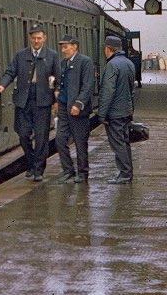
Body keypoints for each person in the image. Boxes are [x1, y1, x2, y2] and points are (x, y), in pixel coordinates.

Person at [0, 25, 60, 182]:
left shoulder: (52, 55)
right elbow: (10, 72)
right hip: (23, 100)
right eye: (34, 38)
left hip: (43, 101)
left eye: (39, 38)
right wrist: (2, 84)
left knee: (42, 136)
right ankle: (30, 163)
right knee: (23, 134)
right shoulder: (20, 55)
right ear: (30, 39)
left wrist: (56, 94)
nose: (36, 41)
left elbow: (58, 77)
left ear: (44, 38)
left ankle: (38, 170)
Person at [54, 34, 94, 184]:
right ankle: (68, 171)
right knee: (59, 139)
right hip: (64, 107)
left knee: (80, 141)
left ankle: (82, 173)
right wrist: (57, 91)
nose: (63, 50)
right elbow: (61, 82)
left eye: (65, 47)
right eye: (62, 47)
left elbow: (88, 85)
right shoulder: (64, 63)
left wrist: (78, 103)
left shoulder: (85, 62)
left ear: (74, 46)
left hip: (78, 109)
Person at [97, 35, 136, 184]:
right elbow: (132, 91)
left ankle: (125, 174)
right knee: (124, 142)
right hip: (126, 110)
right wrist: (131, 109)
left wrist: (102, 114)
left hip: (115, 112)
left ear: (108, 49)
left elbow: (108, 91)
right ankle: (127, 172)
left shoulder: (112, 65)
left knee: (118, 143)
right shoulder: (129, 63)